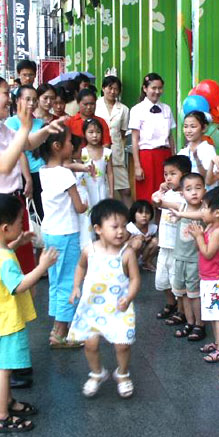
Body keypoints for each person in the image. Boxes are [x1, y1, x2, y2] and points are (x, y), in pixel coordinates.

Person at [0, 73, 64, 275]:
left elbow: (25, 143)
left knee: (24, 271)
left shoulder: (0, 127)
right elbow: (4, 165)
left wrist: (46, 130)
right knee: (3, 277)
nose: (10, 99)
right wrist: (25, 126)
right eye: (5, 94)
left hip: (14, 205)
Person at [0, 193, 57, 433]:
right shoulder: (3, 259)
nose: (22, 225)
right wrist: (41, 267)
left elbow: (2, 251)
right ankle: (1, 417)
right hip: (7, 323)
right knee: (3, 371)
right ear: (5, 228)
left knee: (4, 366)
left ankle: (8, 402)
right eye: (19, 222)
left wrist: (18, 241)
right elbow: (18, 285)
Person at [68, 199, 140, 398]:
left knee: (122, 345)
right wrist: (76, 286)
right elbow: (81, 266)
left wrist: (129, 296)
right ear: (98, 229)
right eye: (115, 227)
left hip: (119, 307)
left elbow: (135, 279)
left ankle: (123, 373)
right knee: (90, 344)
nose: (121, 231)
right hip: (92, 307)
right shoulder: (89, 250)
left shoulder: (127, 253)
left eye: (124, 226)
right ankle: (96, 372)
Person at [38, 129, 88, 348]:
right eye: (69, 142)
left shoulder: (44, 171)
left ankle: (58, 327)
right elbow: (78, 206)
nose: (72, 146)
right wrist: (87, 204)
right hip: (67, 232)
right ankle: (60, 332)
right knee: (70, 281)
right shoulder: (65, 175)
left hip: (50, 232)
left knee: (56, 280)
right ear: (57, 146)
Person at [164, 172, 206, 342]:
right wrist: (160, 193)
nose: (194, 192)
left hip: (195, 260)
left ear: (204, 189)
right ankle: (189, 322)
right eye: (189, 189)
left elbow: (201, 216)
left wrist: (181, 216)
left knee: (194, 294)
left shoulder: (204, 209)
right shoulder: (181, 207)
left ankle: (200, 324)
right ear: (182, 193)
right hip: (179, 258)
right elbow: (159, 202)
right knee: (183, 294)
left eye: (198, 188)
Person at [192, 188, 219, 363]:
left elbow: (207, 253)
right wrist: (196, 236)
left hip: (217, 279)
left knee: (218, 314)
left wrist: (199, 237)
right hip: (208, 277)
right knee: (213, 313)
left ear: (216, 213)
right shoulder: (210, 226)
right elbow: (199, 248)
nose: (201, 211)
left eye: (204, 208)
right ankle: (217, 343)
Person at [151, 155, 190, 322]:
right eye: (166, 174)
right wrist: (161, 191)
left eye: (172, 173)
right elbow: (154, 198)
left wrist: (163, 203)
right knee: (162, 279)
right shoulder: (167, 193)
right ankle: (170, 302)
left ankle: (181, 311)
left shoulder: (186, 195)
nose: (168, 178)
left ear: (185, 174)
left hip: (178, 249)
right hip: (164, 246)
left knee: (177, 282)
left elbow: (182, 207)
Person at [129, 72, 175, 202]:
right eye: (153, 88)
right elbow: (135, 139)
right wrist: (137, 166)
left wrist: (173, 158)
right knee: (147, 196)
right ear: (145, 89)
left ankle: (162, 222)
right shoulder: (137, 110)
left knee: (167, 196)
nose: (157, 91)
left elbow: (170, 137)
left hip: (165, 155)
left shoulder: (167, 109)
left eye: (160, 88)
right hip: (147, 157)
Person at [5, 86, 46, 221]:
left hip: (42, 173)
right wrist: (28, 179)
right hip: (21, 175)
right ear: (17, 100)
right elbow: (19, 152)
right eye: (27, 99)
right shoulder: (11, 123)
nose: (31, 103)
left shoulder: (40, 123)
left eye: (34, 100)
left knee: (43, 212)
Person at [95, 75, 130, 205]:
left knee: (125, 190)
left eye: (116, 89)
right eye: (110, 88)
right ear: (103, 88)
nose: (113, 92)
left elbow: (122, 133)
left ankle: (130, 221)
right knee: (100, 189)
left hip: (116, 153)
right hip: (97, 151)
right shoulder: (95, 105)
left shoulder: (124, 109)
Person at [178, 111, 218, 190]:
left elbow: (208, 179)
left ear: (204, 128)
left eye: (193, 127)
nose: (188, 131)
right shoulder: (182, 152)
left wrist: (197, 160)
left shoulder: (208, 149)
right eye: (185, 126)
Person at [81, 118, 114, 204]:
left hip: (102, 189)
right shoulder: (81, 153)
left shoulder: (107, 152)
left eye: (98, 132)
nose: (95, 135)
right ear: (84, 134)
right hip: (86, 191)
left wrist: (111, 193)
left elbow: (110, 173)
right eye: (91, 132)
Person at [126, 200, 158, 272]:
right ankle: (130, 266)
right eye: (140, 212)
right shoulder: (130, 228)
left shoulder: (152, 228)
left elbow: (153, 244)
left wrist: (147, 240)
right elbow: (121, 246)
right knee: (137, 242)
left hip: (143, 254)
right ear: (134, 214)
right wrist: (132, 240)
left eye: (147, 213)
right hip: (131, 255)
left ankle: (147, 263)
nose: (144, 215)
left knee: (156, 241)